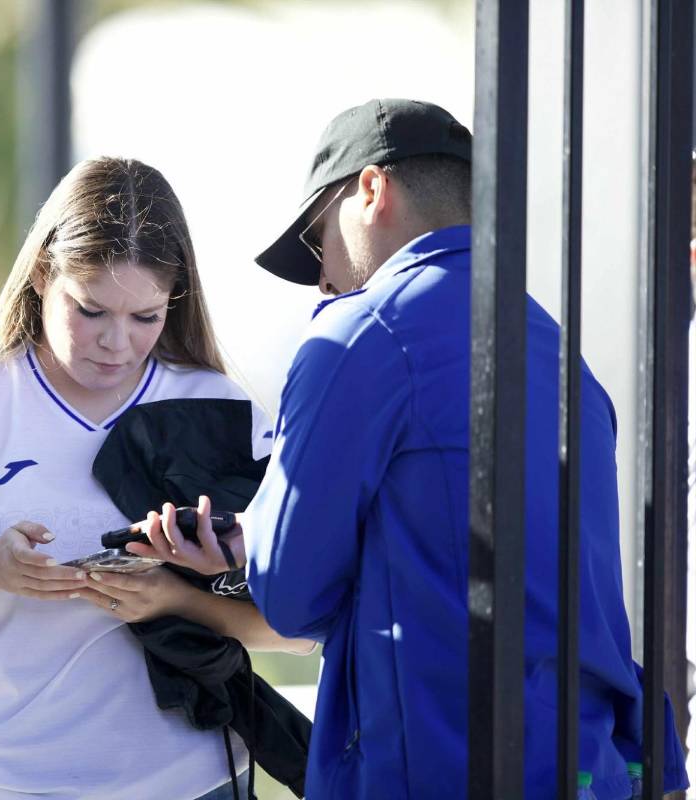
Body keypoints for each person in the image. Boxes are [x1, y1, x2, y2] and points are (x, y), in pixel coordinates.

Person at [128, 99, 689, 798]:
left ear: (371, 189)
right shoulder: (560, 355)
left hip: (438, 764)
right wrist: (252, 539)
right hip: (588, 763)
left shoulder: (359, 335)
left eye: (315, 240)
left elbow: (291, 601)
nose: (323, 278)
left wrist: (258, 555)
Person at [0, 156, 313, 800]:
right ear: (42, 275)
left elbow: (302, 624)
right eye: (91, 310)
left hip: (192, 785)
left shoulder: (222, 410)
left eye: (146, 317)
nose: (116, 343)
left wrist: (194, 588)